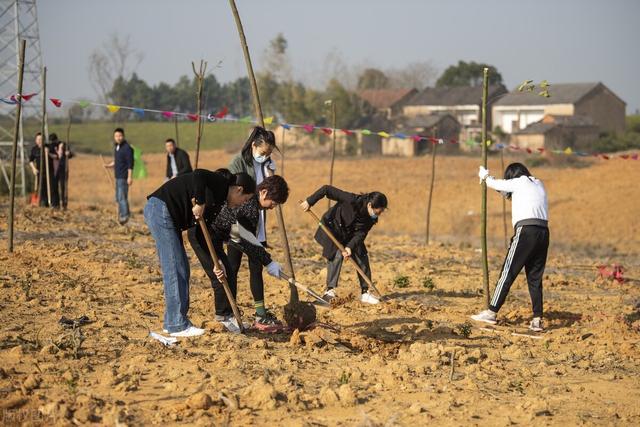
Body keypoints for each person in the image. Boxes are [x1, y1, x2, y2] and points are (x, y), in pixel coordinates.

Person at [144, 168, 255, 337]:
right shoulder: (222, 184)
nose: (242, 203)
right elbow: (198, 174)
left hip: (165, 213)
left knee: (181, 268)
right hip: (160, 209)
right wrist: (200, 203)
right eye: (245, 199)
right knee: (175, 267)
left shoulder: (219, 202)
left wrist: (216, 261)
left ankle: (171, 322)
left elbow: (204, 236)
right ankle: (177, 325)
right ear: (239, 189)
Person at [471, 163, 549, 332]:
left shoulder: (519, 182)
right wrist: (493, 184)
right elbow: (507, 193)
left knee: (508, 272)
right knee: (535, 278)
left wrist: (484, 176)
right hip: (543, 233)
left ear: (512, 175)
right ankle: (537, 319)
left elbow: (497, 184)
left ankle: (491, 312)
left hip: (525, 231)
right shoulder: (537, 183)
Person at [216, 175, 290, 332]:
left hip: (232, 236)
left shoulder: (254, 205)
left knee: (230, 270)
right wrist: (268, 261)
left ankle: (230, 314)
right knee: (227, 271)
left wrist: (265, 258)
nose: (272, 207)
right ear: (263, 192)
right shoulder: (250, 206)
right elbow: (246, 240)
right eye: (273, 203)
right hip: (224, 235)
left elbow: (246, 238)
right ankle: (226, 316)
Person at [227, 127, 282, 326]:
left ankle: (260, 312)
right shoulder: (238, 163)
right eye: (263, 152)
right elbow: (231, 194)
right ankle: (230, 310)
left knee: (256, 266)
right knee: (232, 266)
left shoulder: (267, 165)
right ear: (253, 145)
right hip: (238, 223)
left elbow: (272, 191)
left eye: (269, 153)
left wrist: (271, 173)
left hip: (258, 222)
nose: (265, 155)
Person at [300, 186, 388, 305]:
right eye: (378, 211)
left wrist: (349, 247)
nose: (379, 214)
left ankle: (365, 292)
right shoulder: (351, 200)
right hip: (332, 228)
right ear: (369, 205)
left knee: (362, 254)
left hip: (350, 235)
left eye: (381, 212)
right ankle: (329, 292)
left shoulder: (371, 219)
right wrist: (310, 201)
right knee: (336, 255)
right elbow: (327, 189)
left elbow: (360, 234)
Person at [104, 128, 134, 224]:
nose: (118, 138)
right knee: (117, 197)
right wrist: (109, 165)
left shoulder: (127, 148)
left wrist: (130, 177)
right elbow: (117, 161)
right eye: (116, 136)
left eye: (120, 136)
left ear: (123, 136)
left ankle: (125, 216)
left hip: (124, 177)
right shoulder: (117, 147)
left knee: (122, 197)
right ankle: (121, 215)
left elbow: (130, 164)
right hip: (117, 176)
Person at [28, 132, 57, 207]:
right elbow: (30, 160)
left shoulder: (49, 147)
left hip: (49, 172)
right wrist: (33, 169)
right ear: (36, 140)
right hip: (39, 172)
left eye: (41, 139)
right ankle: (43, 204)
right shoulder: (34, 149)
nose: (40, 140)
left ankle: (53, 205)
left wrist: (48, 153)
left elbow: (56, 157)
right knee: (41, 188)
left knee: (51, 188)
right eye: (38, 139)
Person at [49, 133, 73, 210]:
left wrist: (68, 153)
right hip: (54, 169)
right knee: (54, 186)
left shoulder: (64, 145)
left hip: (63, 168)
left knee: (63, 187)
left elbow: (70, 154)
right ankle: (55, 204)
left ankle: (64, 204)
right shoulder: (51, 146)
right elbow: (50, 154)